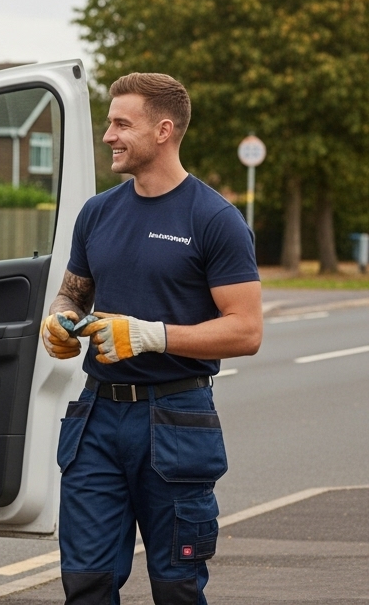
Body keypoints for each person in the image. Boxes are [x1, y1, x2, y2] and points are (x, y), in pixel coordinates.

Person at [42, 72, 262, 604]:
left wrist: (151, 336)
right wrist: (59, 321)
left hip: (175, 420)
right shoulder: (97, 213)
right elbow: (74, 294)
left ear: (164, 130)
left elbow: (247, 329)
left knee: (176, 586)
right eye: (109, 122)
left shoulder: (214, 219)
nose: (108, 135)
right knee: (86, 581)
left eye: (122, 123)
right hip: (95, 419)